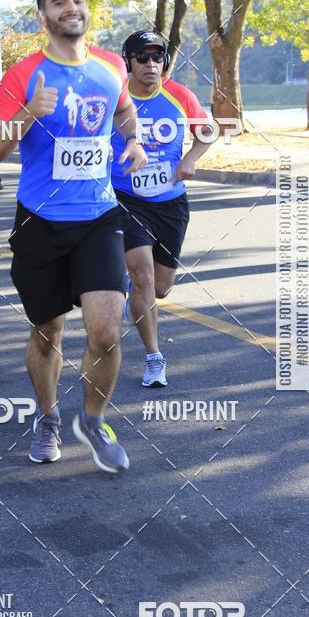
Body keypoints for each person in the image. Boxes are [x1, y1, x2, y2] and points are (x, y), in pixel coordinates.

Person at [0, 0, 147, 472]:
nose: (70, 8)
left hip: (99, 217)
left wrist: (133, 139)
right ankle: (48, 416)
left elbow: (122, 112)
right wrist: (28, 111)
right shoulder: (23, 75)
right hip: (40, 221)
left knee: (105, 332)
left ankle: (92, 421)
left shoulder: (111, 66)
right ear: (43, 15)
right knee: (48, 330)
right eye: (58, 2)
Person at [112, 31, 215, 387]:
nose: (151, 64)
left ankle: (136, 301)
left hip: (170, 201)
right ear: (129, 61)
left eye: (158, 58)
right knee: (141, 273)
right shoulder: (115, 97)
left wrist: (190, 159)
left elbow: (208, 130)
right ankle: (155, 358)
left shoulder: (179, 95)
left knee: (160, 288)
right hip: (126, 197)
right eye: (142, 57)